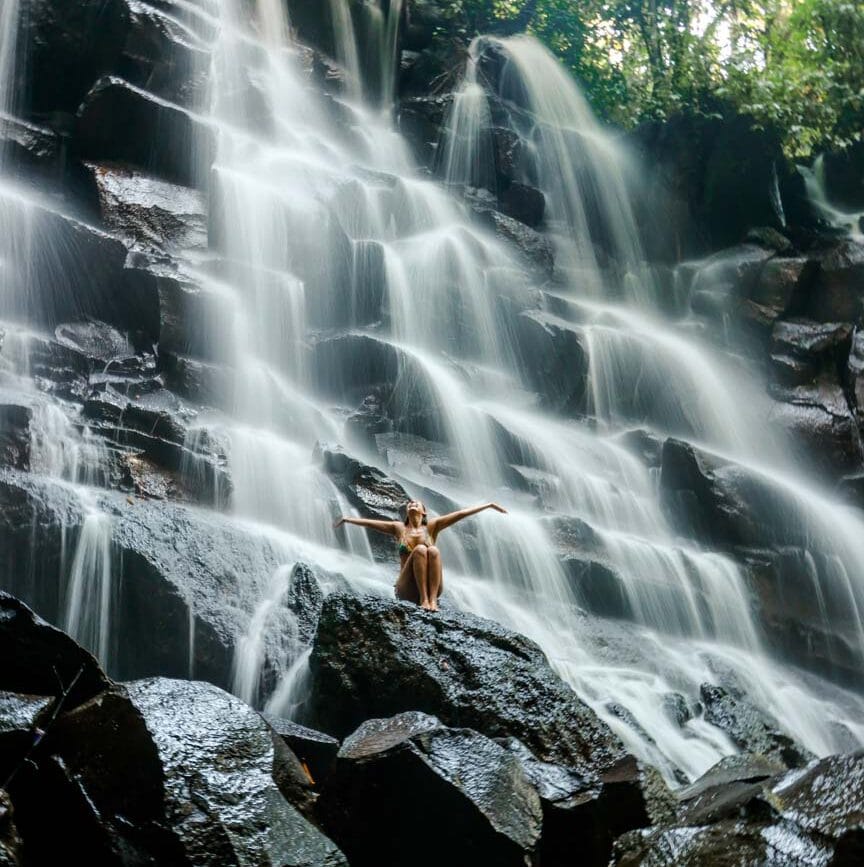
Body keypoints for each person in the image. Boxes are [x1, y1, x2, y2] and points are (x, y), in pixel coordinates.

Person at [333, 499, 507, 611]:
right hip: (405, 589)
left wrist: (489, 505)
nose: (412, 505)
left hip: (435, 588)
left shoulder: (433, 526)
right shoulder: (399, 528)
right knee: (420, 550)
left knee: (433, 550)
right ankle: (424, 600)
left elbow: (461, 514)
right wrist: (348, 519)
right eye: (409, 505)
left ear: (424, 512)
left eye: (416, 503)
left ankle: (432, 601)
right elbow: (371, 524)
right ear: (407, 513)